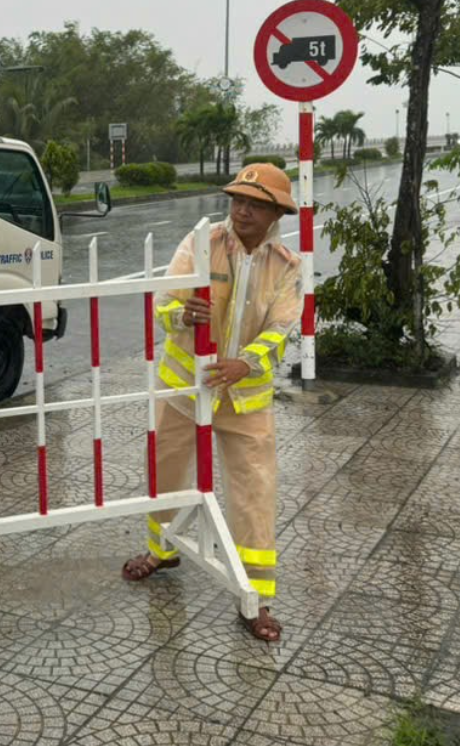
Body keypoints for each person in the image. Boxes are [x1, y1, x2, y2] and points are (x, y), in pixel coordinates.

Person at [120, 162, 302, 642]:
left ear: (275, 212)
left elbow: (283, 328)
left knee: (255, 492)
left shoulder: (285, 265)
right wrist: (182, 313)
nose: (242, 210)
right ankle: (162, 550)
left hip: (245, 398)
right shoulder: (200, 244)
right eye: (237, 200)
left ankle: (256, 599)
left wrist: (246, 362)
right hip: (184, 386)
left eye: (255, 204)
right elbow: (163, 304)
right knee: (165, 468)